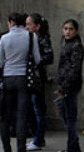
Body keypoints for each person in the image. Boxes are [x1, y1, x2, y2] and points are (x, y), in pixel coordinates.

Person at [0, 12, 41, 152]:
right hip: (24, 79)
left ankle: (6, 148)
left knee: (6, 116)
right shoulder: (30, 36)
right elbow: (38, 59)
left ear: (11, 22)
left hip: (8, 78)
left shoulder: (4, 38)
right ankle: (21, 148)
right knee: (22, 115)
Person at [54, 19, 84, 152]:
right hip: (64, 85)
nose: (67, 31)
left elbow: (74, 69)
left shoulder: (76, 46)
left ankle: (72, 148)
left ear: (76, 31)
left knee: (70, 118)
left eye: (70, 29)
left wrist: (63, 88)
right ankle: (74, 146)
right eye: (65, 28)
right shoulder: (66, 44)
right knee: (66, 116)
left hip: (69, 87)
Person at [25, 13, 54, 151]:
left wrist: (36, 62)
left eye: (28, 24)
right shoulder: (32, 38)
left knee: (38, 109)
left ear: (37, 26)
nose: (26, 27)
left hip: (37, 78)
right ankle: (38, 138)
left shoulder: (42, 39)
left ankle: (38, 139)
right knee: (32, 108)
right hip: (32, 77)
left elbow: (49, 57)